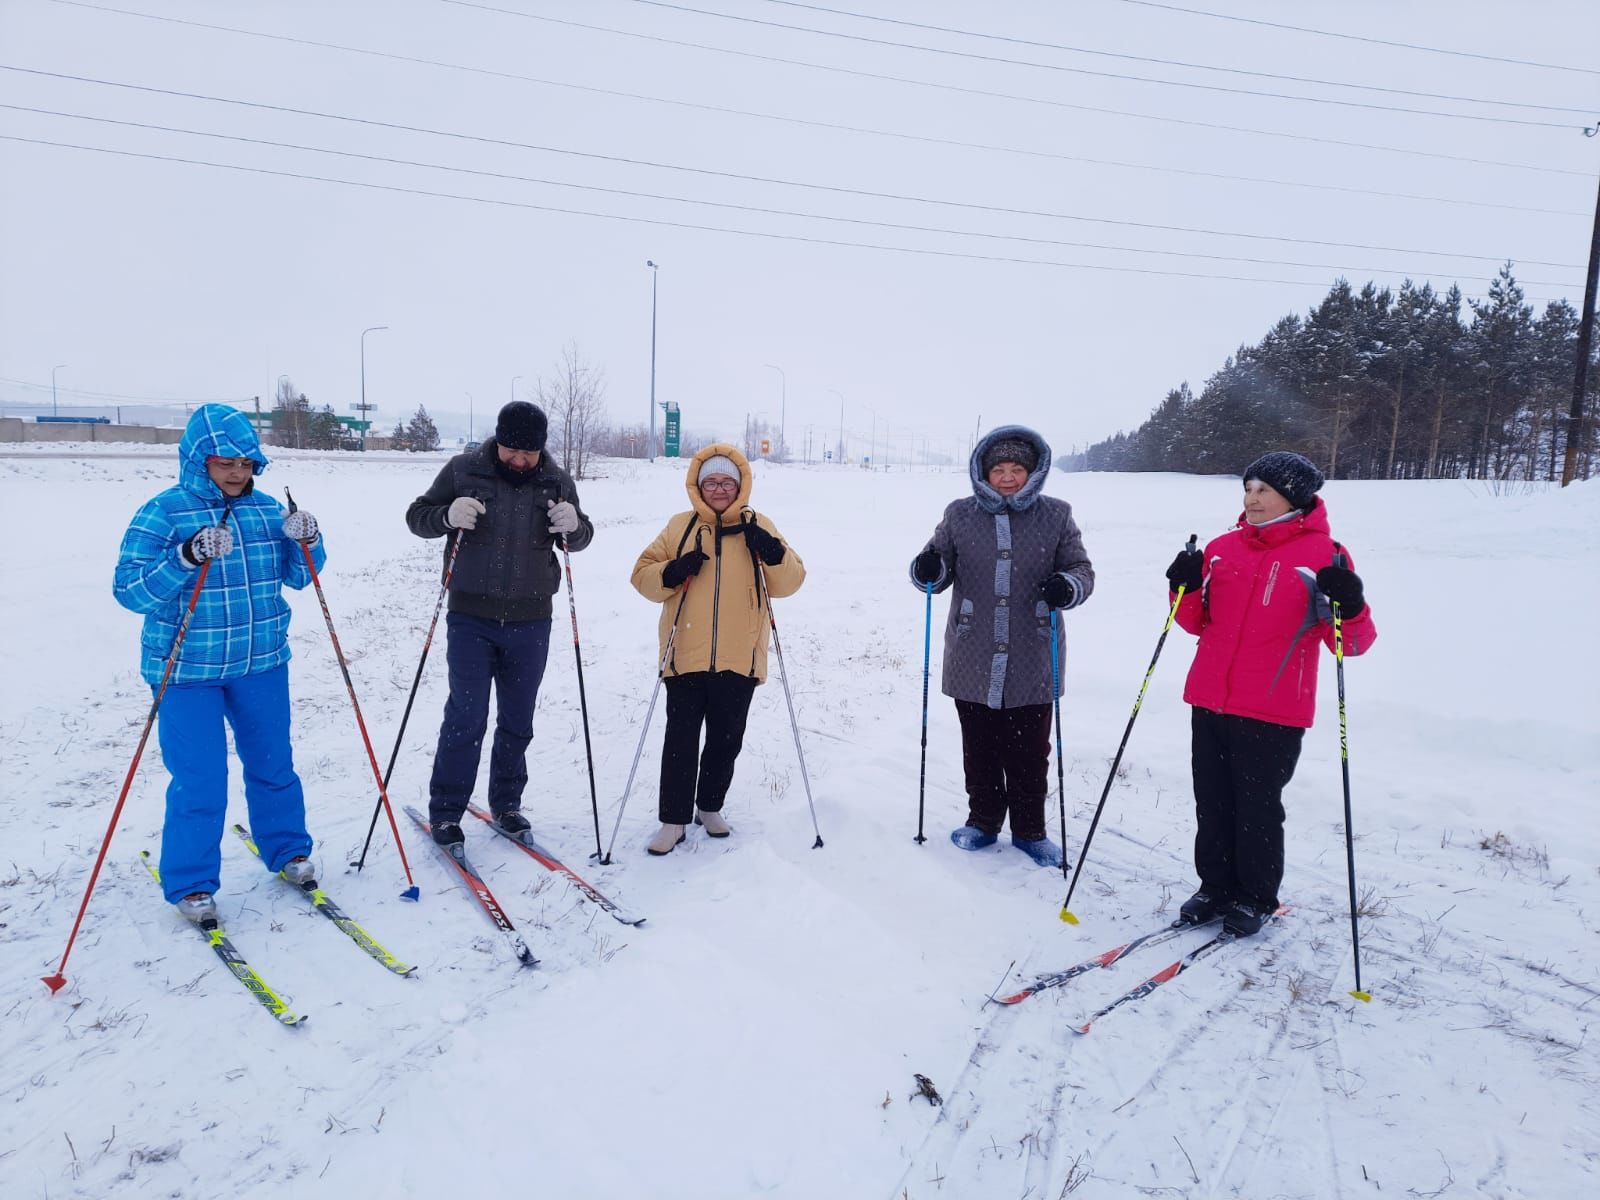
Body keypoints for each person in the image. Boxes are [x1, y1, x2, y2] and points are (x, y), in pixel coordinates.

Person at [113, 404, 325, 922]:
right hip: (187, 670)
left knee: (274, 764)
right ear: (198, 460)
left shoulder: (267, 509)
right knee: (201, 778)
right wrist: (184, 556)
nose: (236, 472)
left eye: (246, 463)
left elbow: (302, 577)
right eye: (224, 462)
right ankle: (190, 881)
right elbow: (129, 591)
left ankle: (288, 849)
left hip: (261, 660)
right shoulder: (163, 512)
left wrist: (308, 540)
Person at [1165, 450, 1377, 937]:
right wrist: (1185, 587)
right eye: (1248, 488)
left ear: (1295, 498)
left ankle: (1256, 896)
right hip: (1210, 698)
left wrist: (1352, 604)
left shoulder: (1326, 556)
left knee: (1257, 807)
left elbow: (1351, 643)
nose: (1252, 498)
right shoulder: (1221, 548)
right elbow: (1194, 621)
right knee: (1212, 801)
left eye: (1264, 490)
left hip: (1275, 707)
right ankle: (1213, 888)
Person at [405, 401, 593, 846]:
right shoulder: (462, 470)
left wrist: (575, 525)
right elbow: (417, 517)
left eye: (528, 454)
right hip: (470, 617)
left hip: (531, 621)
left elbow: (580, 538)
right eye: (512, 451)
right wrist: (447, 516)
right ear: (499, 441)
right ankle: (447, 812)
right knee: (466, 716)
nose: (519, 461)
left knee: (517, 719)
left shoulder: (556, 480)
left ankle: (507, 804)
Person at [908, 426, 1094, 868]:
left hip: (1034, 654)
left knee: (1031, 751)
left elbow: (1081, 570)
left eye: (1017, 469)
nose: (1008, 477)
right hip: (972, 654)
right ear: (983, 473)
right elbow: (934, 572)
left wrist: (1068, 586)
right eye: (998, 469)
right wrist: (928, 567)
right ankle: (984, 820)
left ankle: (1030, 830)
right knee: (981, 747)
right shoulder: (959, 515)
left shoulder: (1056, 515)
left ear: (1033, 473)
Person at [629, 444, 805, 856]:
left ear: (740, 484)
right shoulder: (679, 527)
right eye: (712, 482)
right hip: (685, 653)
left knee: (727, 739)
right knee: (681, 740)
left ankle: (709, 807)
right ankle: (672, 820)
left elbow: (791, 581)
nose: (720, 489)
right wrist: (671, 571)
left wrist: (774, 552)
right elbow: (642, 575)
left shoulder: (759, 524)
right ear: (698, 486)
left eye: (728, 481)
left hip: (739, 654)